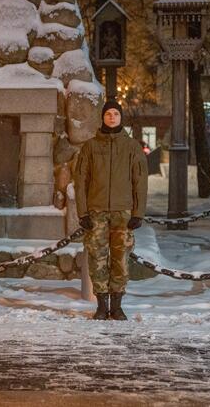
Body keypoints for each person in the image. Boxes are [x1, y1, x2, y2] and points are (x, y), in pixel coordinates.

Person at [73, 99, 148, 321]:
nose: (112, 117)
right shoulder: (90, 146)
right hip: (96, 211)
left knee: (120, 258)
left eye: (116, 113)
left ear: (121, 117)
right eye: (108, 114)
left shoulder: (132, 147)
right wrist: (83, 212)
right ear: (103, 117)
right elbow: (80, 181)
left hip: (123, 212)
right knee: (97, 257)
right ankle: (101, 305)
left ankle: (116, 306)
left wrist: (138, 213)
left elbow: (140, 182)